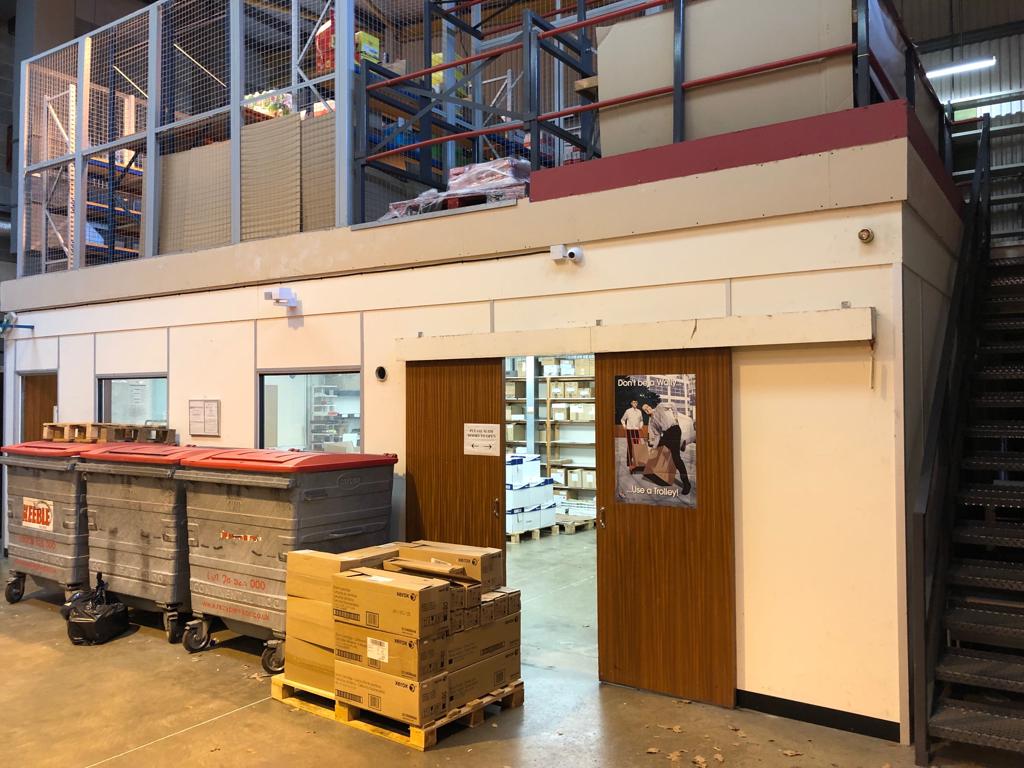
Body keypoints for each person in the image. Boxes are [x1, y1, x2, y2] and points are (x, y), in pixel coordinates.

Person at [642, 402, 692, 494]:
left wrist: (675, 417)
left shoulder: (660, 407)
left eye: (647, 407)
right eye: (645, 410)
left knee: (676, 458)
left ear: (650, 407)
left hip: (674, 429)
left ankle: (687, 484)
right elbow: (657, 436)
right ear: (645, 412)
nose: (647, 409)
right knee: (657, 448)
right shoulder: (652, 423)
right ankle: (652, 471)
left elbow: (672, 405)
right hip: (666, 434)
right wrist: (654, 448)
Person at [620, 399, 645, 468]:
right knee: (630, 446)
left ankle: (636, 461)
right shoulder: (628, 411)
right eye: (633, 402)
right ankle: (629, 462)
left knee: (636, 446)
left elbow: (641, 420)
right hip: (629, 430)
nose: (635, 403)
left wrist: (641, 426)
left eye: (636, 402)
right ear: (631, 403)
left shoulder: (639, 411)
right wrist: (624, 426)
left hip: (636, 431)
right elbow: (622, 419)